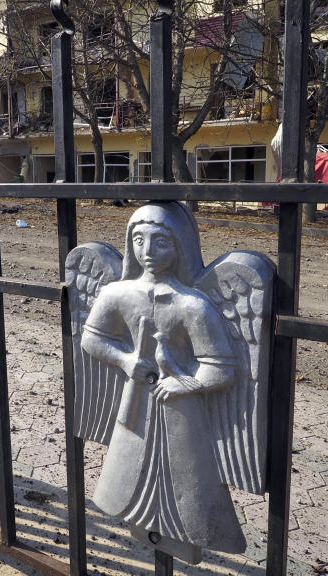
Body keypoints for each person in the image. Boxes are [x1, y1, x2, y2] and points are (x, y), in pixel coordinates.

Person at [79, 202, 246, 561]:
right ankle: (138, 523)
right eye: (139, 241)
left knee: (186, 482)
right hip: (136, 405)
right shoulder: (116, 294)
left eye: (161, 242)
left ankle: (188, 532)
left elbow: (221, 367)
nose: (148, 252)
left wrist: (187, 383)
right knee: (127, 473)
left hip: (181, 415)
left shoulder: (193, 305)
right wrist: (124, 360)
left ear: (180, 246)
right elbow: (91, 338)